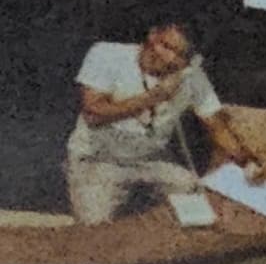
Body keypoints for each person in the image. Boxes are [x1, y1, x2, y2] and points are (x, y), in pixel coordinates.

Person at [64, 20, 252, 226]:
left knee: (189, 190)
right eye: (165, 45)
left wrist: (247, 161)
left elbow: (217, 126)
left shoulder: (191, 77)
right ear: (152, 35)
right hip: (97, 159)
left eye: (180, 55)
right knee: (94, 226)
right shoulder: (106, 54)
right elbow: (94, 113)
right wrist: (156, 96)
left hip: (150, 158)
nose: (168, 57)